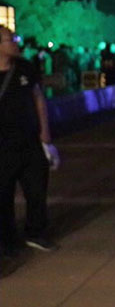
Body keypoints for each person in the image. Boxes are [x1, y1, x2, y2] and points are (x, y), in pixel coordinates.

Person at [0, 25, 59, 272]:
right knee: (3, 195)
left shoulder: (25, 68)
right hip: (3, 146)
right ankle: (8, 240)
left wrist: (45, 132)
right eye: (10, 39)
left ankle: (36, 232)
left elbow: (38, 98)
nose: (16, 42)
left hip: (30, 141)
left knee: (37, 189)